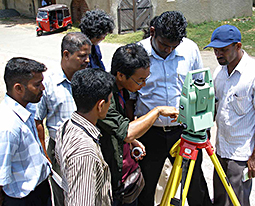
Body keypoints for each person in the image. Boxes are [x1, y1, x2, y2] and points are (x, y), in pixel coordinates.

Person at [133, 11, 213, 206]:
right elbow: (129, 98)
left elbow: (199, 88)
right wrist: (132, 136)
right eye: (163, 45)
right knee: (147, 185)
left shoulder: (190, 49)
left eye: (173, 46)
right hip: (149, 134)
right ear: (152, 32)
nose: (168, 50)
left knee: (194, 183)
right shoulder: (137, 53)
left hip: (184, 132)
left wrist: (203, 127)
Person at [96, 43, 179, 206]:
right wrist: (157, 111)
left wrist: (133, 142)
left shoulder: (122, 90)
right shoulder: (104, 96)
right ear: (120, 75)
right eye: (140, 80)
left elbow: (119, 126)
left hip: (126, 171)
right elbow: (127, 132)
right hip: (111, 180)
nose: (144, 85)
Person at [204, 25, 255, 206]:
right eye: (215, 50)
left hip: (242, 155)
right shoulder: (219, 72)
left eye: (223, 50)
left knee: (237, 201)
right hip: (220, 150)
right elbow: (216, 105)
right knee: (220, 199)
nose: (218, 54)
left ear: (238, 46)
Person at [35, 32, 91, 206]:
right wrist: (46, 155)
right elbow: (37, 121)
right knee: (64, 197)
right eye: (82, 56)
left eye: (88, 55)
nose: (87, 60)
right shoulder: (48, 83)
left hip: (87, 148)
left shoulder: (88, 79)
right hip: (60, 151)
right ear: (66, 55)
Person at [55, 68, 115, 205]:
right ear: (100, 105)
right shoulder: (85, 153)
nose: (110, 105)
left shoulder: (66, 126)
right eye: (110, 100)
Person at [0, 57, 51, 206]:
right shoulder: (8, 127)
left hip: (40, 191)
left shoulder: (27, 108)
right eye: (37, 84)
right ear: (18, 88)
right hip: (23, 199)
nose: (43, 88)